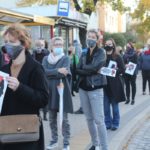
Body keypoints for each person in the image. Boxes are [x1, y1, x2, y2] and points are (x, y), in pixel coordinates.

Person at [0, 23, 49, 150]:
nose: (7, 45)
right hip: (5, 131)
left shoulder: (36, 68)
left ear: (23, 44)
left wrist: (20, 87)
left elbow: (43, 99)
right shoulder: (3, 69)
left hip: (27, 133)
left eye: (12, 42)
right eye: (6, 42)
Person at [76, 29, 108, 150]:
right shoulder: (84, 53)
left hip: (95, 88)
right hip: (83, 89)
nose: (90, 39)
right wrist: (88, 70)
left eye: (93, 37)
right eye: (89, 36)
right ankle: (95, 144)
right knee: (89, 119)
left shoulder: (101, 52)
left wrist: (86, 69)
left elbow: (95, 67)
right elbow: (77, 68)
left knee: (99, 120)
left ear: (98, 39)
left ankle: (105, 147)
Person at [42, 37, 73, 150]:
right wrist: (57, 71)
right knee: (51, 118)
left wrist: (53, 73)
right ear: (51, 46)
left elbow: (64, 73)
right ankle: (54, 140)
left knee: (64, 119)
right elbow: (43, 71)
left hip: (61, 91)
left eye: (60, 44)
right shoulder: (46, 59)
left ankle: (66, 142)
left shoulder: (65, 58)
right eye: (56, 44)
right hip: (49, 91)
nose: (58, 46)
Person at [103, 39, 125, 131]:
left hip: (114, 85)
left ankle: (115, 123)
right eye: (106, 44)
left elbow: (122, 69)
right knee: (106, 107)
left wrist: (113, 72)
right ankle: (107, 123)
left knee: (115, 107)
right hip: (104, 85)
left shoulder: (117, 56)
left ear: (113, 45)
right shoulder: (102, 56)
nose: (108, 45)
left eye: (110, 44)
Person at [32, 39, 49, 121]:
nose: (39, 48)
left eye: (41, 46)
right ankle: (38, 114)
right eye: (38, 46)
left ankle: (45, 114)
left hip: (44, 76)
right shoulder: (33, 53)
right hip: (35, 76)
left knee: (44, 94)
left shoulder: (46, 53)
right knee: (37, 96)